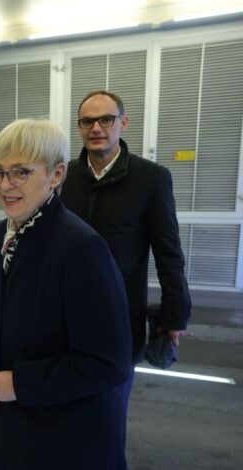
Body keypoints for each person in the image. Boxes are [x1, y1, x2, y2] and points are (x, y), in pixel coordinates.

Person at [0, 119, 132, 470]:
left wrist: (21, 383)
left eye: (21, 172)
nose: (5, 185)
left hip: (69, 438)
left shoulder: (80, 248)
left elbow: (109, 362)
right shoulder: (1, 235)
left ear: (56, 174)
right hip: (18, 422)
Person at [61, 90, 191, 396]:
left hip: (120, 315)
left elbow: (168, 252)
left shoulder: (151, 178)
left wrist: (175, 314)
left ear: (124, 122)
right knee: (65, 402)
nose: (96, 128)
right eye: (87, 121)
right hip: (66, 313)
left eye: (106, 119)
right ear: (79, 127)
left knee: (111, 404)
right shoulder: (64, 176)